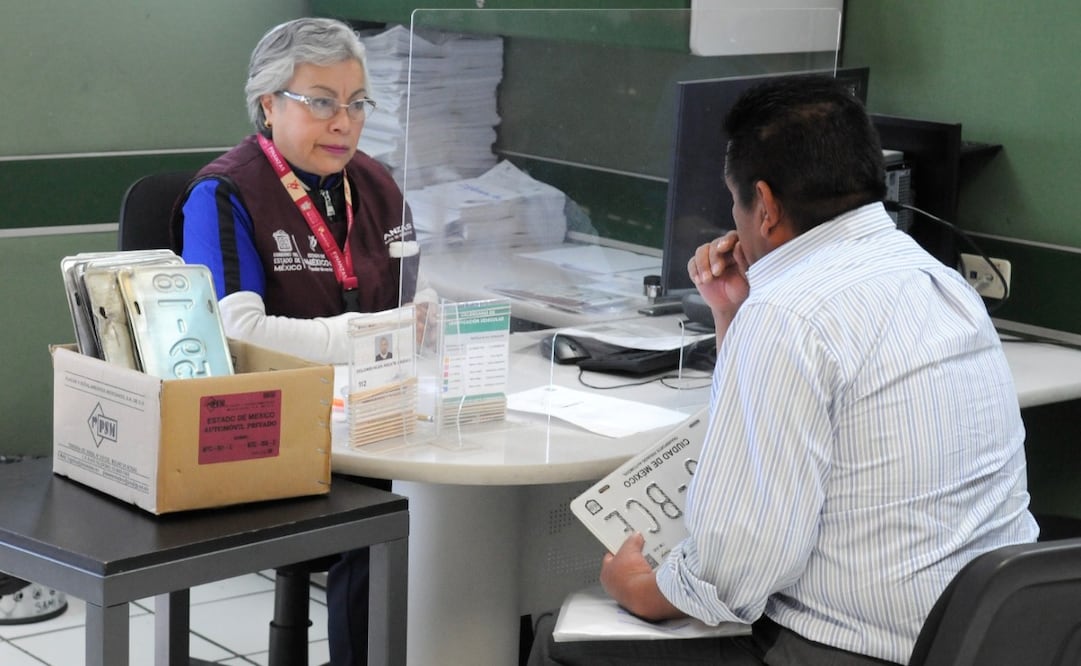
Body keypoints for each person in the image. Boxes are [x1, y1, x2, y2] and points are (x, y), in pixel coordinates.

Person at [529, 75, 1038, 666]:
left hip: (854, 651)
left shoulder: (788, 315)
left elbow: (741, 566)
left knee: (558, 641)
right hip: (987, 639)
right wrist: (732, 314)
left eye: (735, 201)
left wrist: (638, 587)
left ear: (765, 206)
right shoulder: (941, 281)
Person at [172, 17, 425, 666]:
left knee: (456, 511)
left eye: (357, 103)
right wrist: (365, 335)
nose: (344, 122)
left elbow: (412, 312)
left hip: (370, 417)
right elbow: (237, 336)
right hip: (265, 427)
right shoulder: (226, 192)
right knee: (387, 526)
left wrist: (406, 328)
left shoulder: (379, 187)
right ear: (268, 105)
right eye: (320, 102)